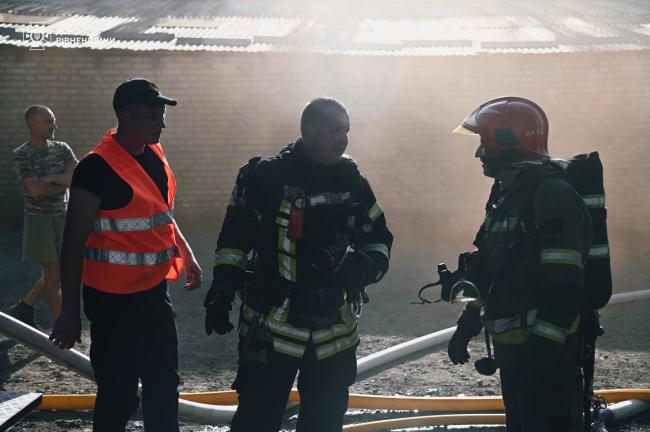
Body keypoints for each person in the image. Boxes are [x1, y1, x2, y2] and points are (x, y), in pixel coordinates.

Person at [204, 97, 393, 432]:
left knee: (324, 422)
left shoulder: (354, 182)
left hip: (334, 331)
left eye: (346, 130)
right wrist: (223, 288)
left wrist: (362, 267)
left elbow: (378, 238)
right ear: (309, 131)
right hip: (272, 327)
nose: (344, 138)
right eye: (335, 130)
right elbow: (234, 239)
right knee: (256, 420)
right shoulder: (266, 177)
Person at [49, 78, 203, 432]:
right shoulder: (95, 168)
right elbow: (72, 244)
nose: (161, 124)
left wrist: (185, 251)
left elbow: (161, 214)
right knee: (118, 394)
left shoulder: (154, 154)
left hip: (153, 295)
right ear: (125, 116)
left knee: (164, 384)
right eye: (152, 117)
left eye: (162, 116)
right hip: (112, 304)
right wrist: (69, 312)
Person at [447, 97, 592, 432]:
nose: (479, 153)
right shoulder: (504, 194)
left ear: (509, 142)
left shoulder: (551, 195)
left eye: (484, 143)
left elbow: (565, 285)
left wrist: (543, 352)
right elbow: (492, 270)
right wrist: (466, 327)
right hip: (516, 355)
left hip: (548, 358)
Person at [10, 105, 78, 328]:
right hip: (39, 221)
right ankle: (62, 325)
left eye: (54, 120)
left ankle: (25, 308)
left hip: (63, 217)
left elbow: (76, 177)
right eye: (49, 121)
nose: (54, 126)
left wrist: (50, 178)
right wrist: (62, 181)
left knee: (57, 273)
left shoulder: (62, 148)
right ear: (33, 124)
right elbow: (35, 191)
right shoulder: (22, 154)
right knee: (53, 273)